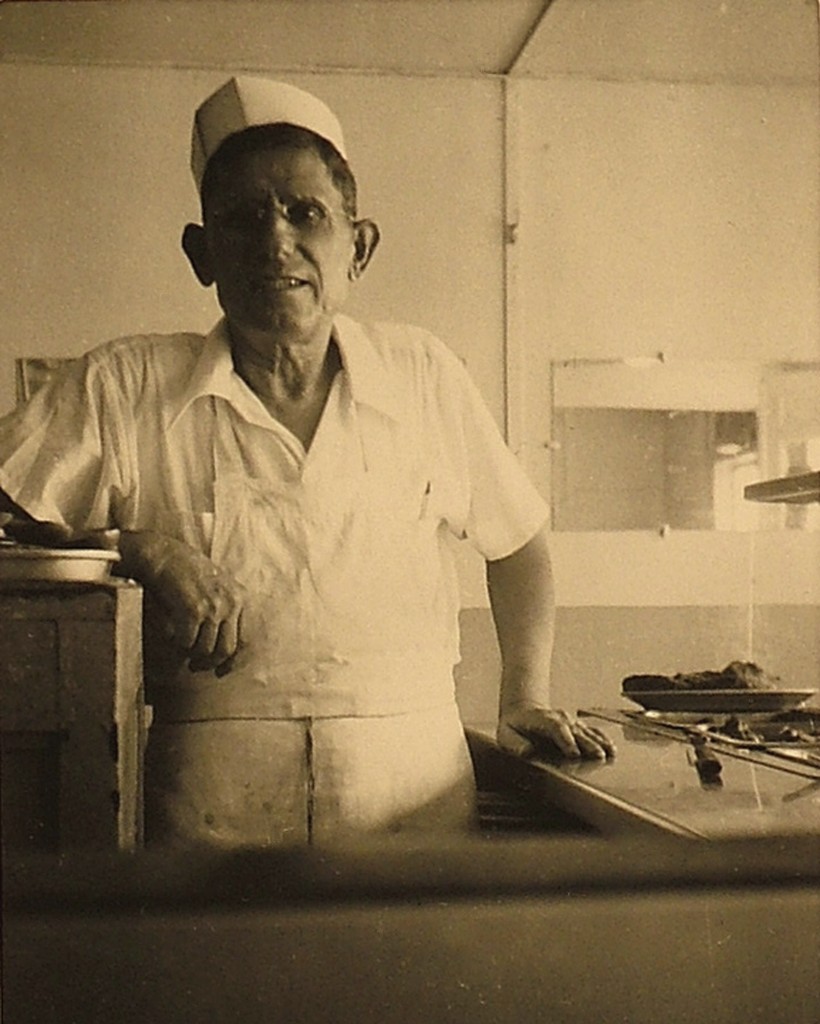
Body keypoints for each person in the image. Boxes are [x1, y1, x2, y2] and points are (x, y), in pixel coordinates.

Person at [0, 77, 614, 845]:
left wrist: (523, 694)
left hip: (412, 789)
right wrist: (140, 550)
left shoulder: (422, 373)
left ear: (359, 247)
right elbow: (6, 519)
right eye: (243, 217)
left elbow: (518, 541)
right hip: (207, 803)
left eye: (305, 213)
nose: (275, 242)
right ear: (202, 252)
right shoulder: (122, 386)